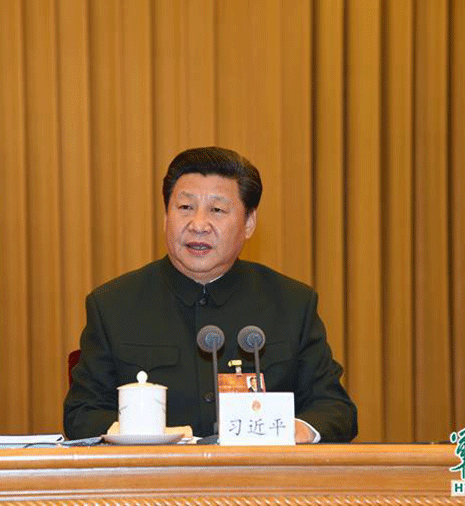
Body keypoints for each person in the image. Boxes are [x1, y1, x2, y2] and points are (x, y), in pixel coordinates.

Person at [64, 147, 357, 443]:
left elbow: (335, 409)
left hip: (258, 473)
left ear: (249, 223)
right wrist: (141, 433)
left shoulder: (291, 304)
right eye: (185, 207)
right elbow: (82, 414)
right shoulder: (114, 305)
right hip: (156, 472)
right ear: (166, 217)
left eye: (217, 210)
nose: (198, 225)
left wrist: (294, 430)